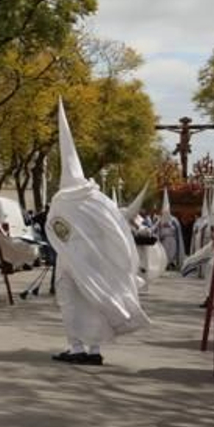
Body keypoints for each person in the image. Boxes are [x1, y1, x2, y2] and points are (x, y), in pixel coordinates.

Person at [45, 101, 148, 366]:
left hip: (70, 259)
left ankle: (77, 346)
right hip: (94, 259)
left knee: (70, 302)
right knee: (94, 300)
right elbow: (117, 229)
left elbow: (54, 230)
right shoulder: (99, 200)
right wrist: (118, 258)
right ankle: (93, 348)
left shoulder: (60, 201)